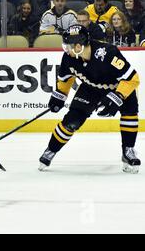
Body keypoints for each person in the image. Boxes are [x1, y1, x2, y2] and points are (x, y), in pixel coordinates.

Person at [39, 24, 141, 174]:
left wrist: (117, 97)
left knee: (130, 113)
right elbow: (65, 79)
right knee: (71, 121)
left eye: (68, 46)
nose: (65, 49)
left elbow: (132, 78)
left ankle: (128, 151)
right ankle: (50, 150)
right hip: (90, 88)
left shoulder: (108, 53)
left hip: (118, 87)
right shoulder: (69, 58)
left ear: (79, 46)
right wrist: (60, 95)